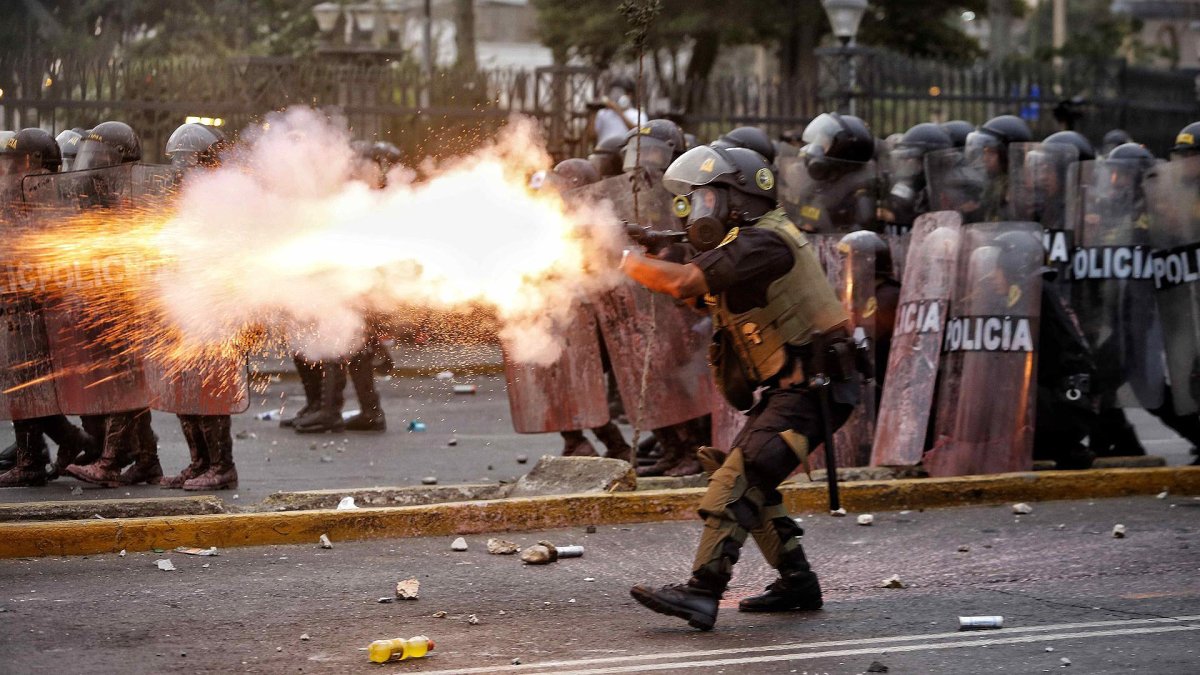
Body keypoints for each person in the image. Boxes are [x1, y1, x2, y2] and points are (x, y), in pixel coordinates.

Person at [621, 143, 857, 630]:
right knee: (751, 477)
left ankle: (702, 593)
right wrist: (656, 253)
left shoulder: (765, 243)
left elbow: (685, 283)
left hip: (812, 390)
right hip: (798, 391)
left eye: (707, 200)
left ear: (739, 199)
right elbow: (702, 298)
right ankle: (797, 583)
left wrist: (625, 261)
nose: (698, 212)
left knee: (738, 478)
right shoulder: (747, 248)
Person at [63, 120, 163, 487]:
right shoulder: (97, 201)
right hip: (104, 304)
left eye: (102, 157)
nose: (94, 164)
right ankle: (148, 462)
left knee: (122, 385)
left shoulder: (133, 198)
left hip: (126, 306)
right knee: (125, 387)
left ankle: (108, 463)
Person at [0, 128, 99, 487]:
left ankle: (33, 459)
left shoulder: (43, 196)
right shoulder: (18, 193)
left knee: (26, 386)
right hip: (16, 306)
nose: (10, 168)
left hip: (31, 308)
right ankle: (69, 443)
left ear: (37, 163)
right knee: (23, 386)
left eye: (17, 161)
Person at [157, 122, 240, 490]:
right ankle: (199, 462)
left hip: (215, 311)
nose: (183, 169)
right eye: (180, 161)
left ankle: (222, 467)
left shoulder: (231, 198)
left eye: (189, 161)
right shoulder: (177, 199)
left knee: (209, 389)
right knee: (185, 389)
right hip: (183, 303)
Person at [593, 76, 644, 146]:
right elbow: (592, 136)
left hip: (627, 153)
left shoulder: (637, 114)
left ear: (630, 95)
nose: (617, 96)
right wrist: (592, 112)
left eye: (621, 93)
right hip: (604, 152)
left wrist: (618, 111)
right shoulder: (602, 113)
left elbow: (639, 132)